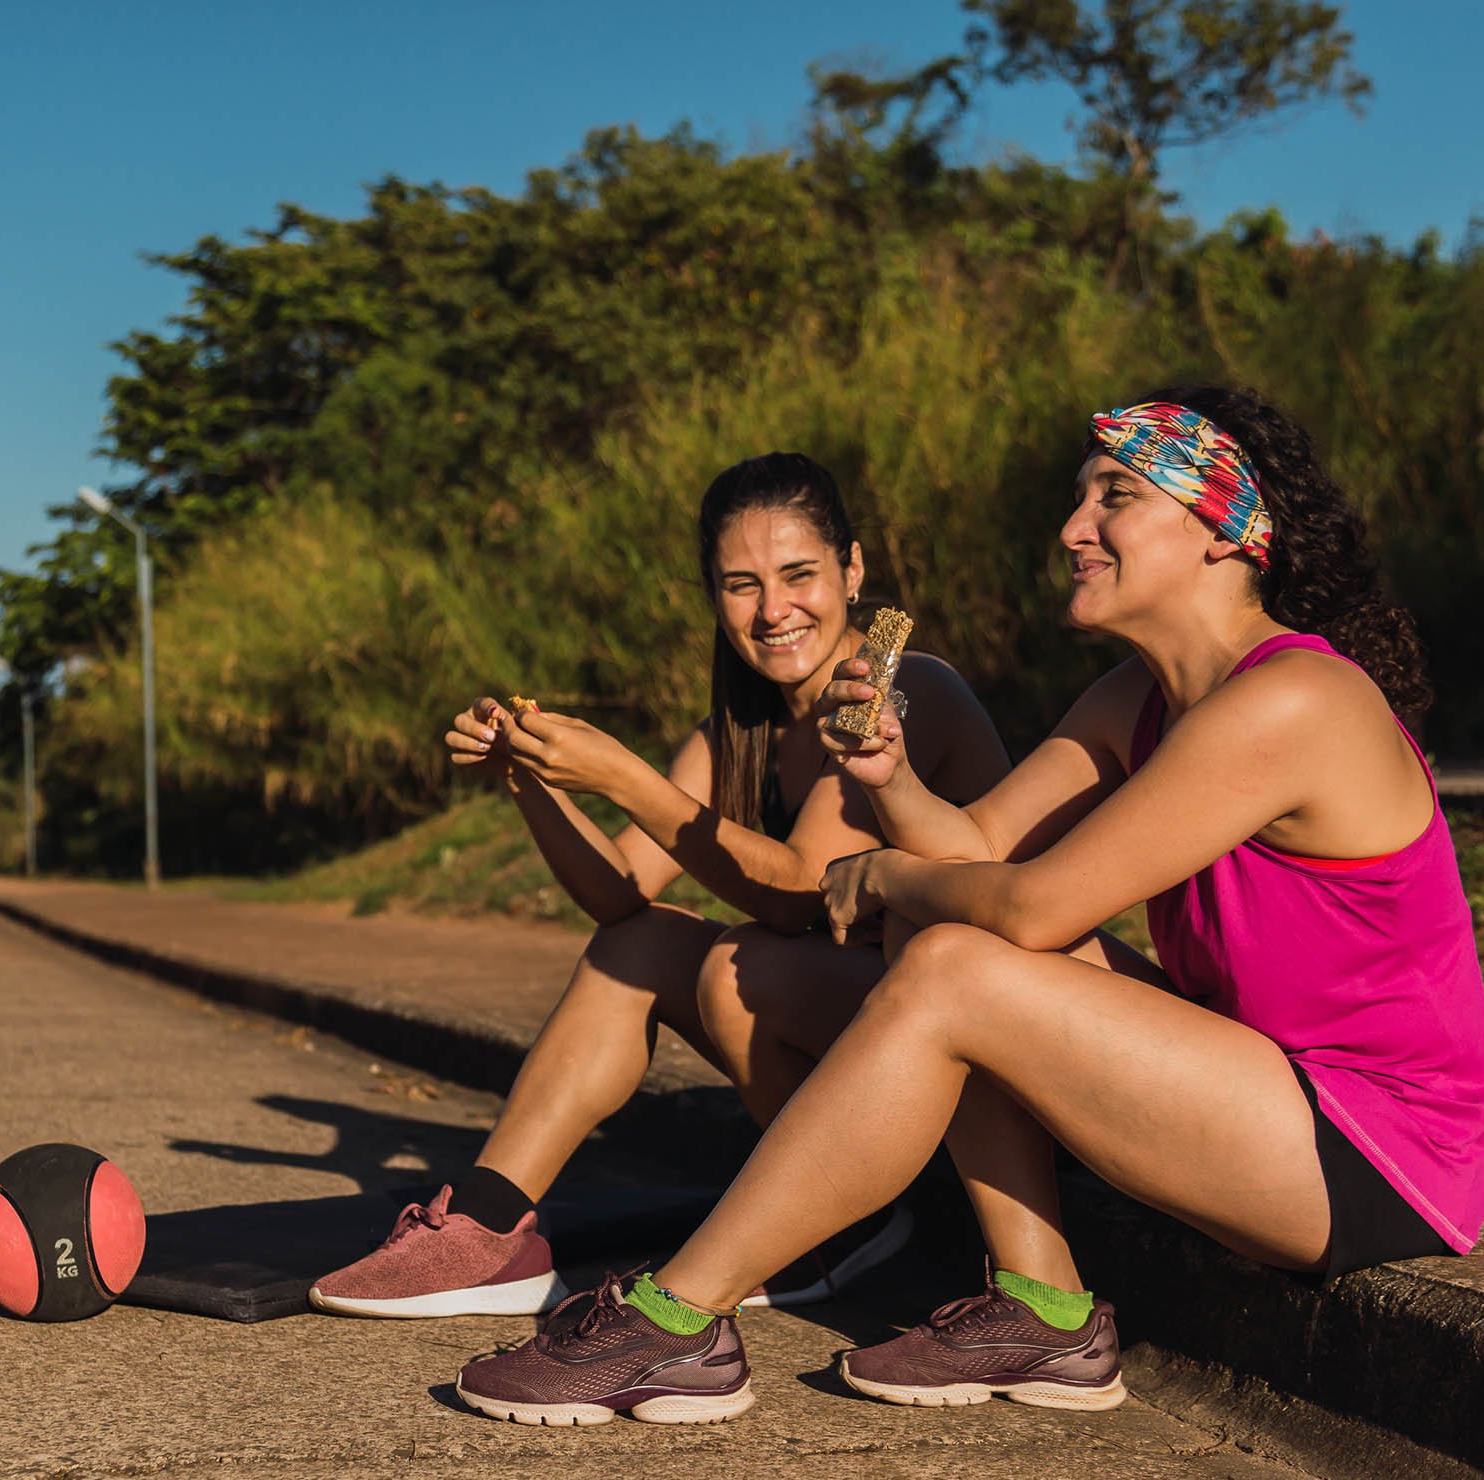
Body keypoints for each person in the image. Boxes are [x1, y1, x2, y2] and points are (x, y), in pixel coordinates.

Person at [450, 386, 1484, 1426]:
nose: (1072, 527)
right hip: (1259, 1084)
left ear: (1222, 531)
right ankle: (1042, 1304)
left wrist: (886, 871)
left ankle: (677, 1317)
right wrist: (893, 779)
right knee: (940, 930)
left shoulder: (1291, 699)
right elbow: (982, 847)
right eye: (1080, 497)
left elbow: (1034, 908)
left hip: (1372, 1146)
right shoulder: (1142, 697)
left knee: (955, 955)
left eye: (1115, 497)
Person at [309, 452, 1009, 1318]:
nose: (773, 610)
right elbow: (618, 897)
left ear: (853, 569)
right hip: (860, 1036)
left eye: (799, 576)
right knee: (637, 945)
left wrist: (624, 776)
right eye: (742, 585)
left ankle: (838, 1226)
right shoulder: (735, 731)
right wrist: (530, 776)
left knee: (734, 964)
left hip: (969, 1056)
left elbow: (800, 893)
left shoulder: (902, 690)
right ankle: (492, 1230)